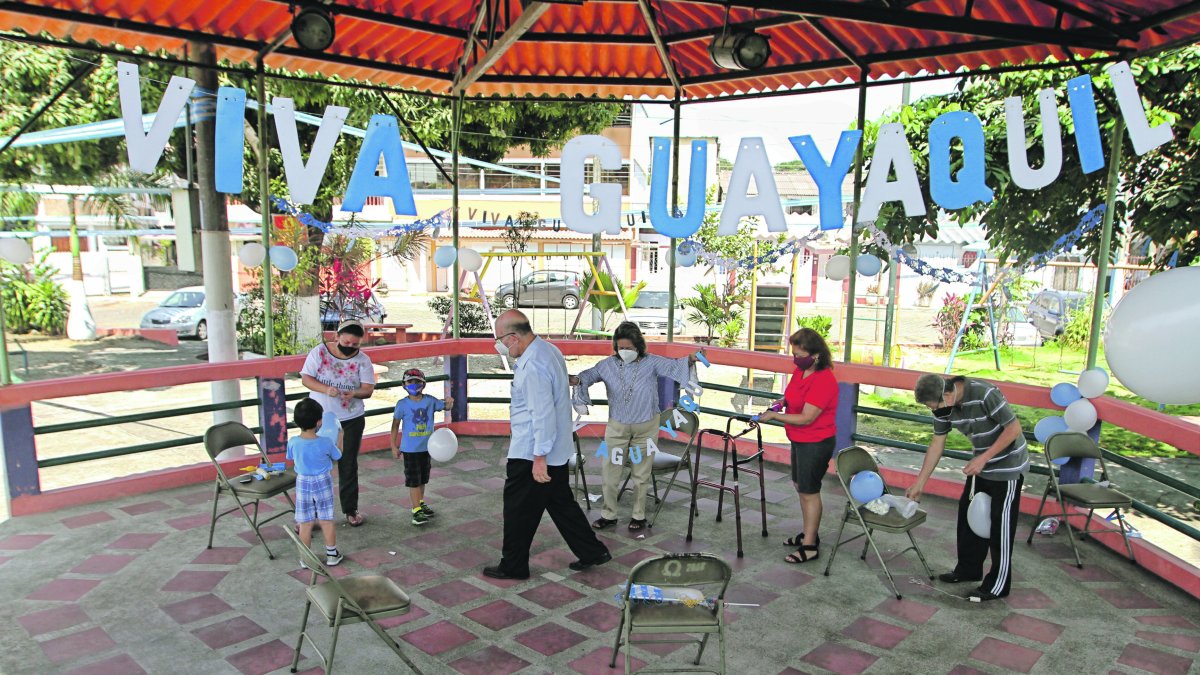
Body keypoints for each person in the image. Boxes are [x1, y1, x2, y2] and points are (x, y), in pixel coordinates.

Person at [483, 309, 611, 580]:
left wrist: (538, 456)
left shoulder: (533, 367)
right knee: (561, 503)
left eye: (501, 340)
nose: (500, 347)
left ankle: (513, 565)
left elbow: (542, 413)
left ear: (514, 337)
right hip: (556, 449)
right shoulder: (547, 350)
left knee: (517, 510)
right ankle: (592, 551)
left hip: (532, 453)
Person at [570, 321, 703, 531]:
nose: (624, 352)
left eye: (629, 348)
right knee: (610, 472)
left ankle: (639, 516)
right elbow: (588, 375)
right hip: (617, 428)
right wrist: (576, 380)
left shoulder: (652, 362)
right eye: (620, 348)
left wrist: (691, 359)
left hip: (646, 426)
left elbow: (673, 366)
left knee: (641, 474)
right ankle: (608, 514)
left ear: (638, 346)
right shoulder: (607, 365)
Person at [908, 373, 1028, 602]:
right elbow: (937, 443)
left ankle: (998, 584)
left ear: (948, 394)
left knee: (999, 526)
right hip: (980, 464)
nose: (936, 411)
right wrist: (920, 482)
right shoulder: (943, 405)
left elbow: (1013, 429)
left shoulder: (985, 394)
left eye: (935, 406)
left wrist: (984, 458)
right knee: (968, 517)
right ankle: (968, 569)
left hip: (1008, 465)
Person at [756, 327, 838, 565]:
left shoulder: (824, 380)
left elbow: (807, 417)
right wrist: (781, 403)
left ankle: (810, 545)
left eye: (800, 355)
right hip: (799, 440)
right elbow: (792, 397)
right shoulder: (799, 373)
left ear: (816, 355)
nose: (796, 359)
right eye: (794, 354)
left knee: (809, 491)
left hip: (816, 442)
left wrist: (773, 417)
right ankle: (809, 531)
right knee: (800, 486)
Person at [300, 319, 376, 527]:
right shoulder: (319, 352)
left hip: (351, 419)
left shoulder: (363, 360)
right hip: (320, 420)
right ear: (336, 337)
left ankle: (350, 509)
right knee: (315, 468)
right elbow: (306, 378)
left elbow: (368, 389)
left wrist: (355, 393)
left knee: (348, 465)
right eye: (347, 343)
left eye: (355, 345)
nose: (350, 348)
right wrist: (326, 389)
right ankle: (311, 514)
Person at [390, 368, 454, 526]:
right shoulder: (402, 404)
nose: (414, 384)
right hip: (410, 450)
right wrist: (393, 446)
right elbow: (395, 425)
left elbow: (445, 406)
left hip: (427, 448)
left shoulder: (430, 401)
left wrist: (450, 402)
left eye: (417, 381)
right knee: (413, 480)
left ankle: (420, 502)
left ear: (424, 384)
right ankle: (415, 510)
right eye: (410, 382)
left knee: (422, 478)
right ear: (403, 384)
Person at [287, 398, 344, 567]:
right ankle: (332, 555)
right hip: (322, 481)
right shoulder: (325, 442)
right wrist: (340, 437)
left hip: (303, 482)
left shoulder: (293, 442)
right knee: (326, 519)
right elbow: (338, 455)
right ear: (319, 421)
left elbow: (290, 458)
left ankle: (306, 558)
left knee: (305, 522)